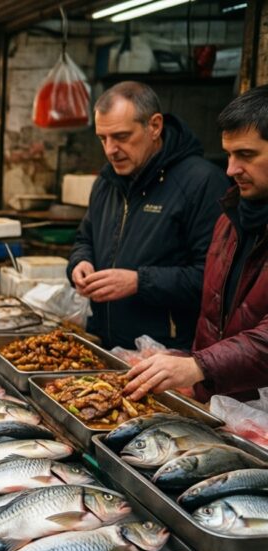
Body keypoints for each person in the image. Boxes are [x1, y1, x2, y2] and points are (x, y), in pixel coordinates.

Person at [124, 86, 268, 403]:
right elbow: (213, 317)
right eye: (229, 155)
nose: (231, 170)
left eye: (246, 155)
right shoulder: (228, 221)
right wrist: (195, 374)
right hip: (222, 404)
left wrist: (199, 366)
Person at [67, 81, 229, 350]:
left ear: (154, 126)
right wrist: (79, 263)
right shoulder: (106, 182)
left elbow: (215, 282)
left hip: (168, 356)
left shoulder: (203, 183)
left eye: (121, 136)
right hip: (105, 347)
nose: (110, 150)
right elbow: (85, 239)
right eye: (102, 138)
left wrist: (140, 282)